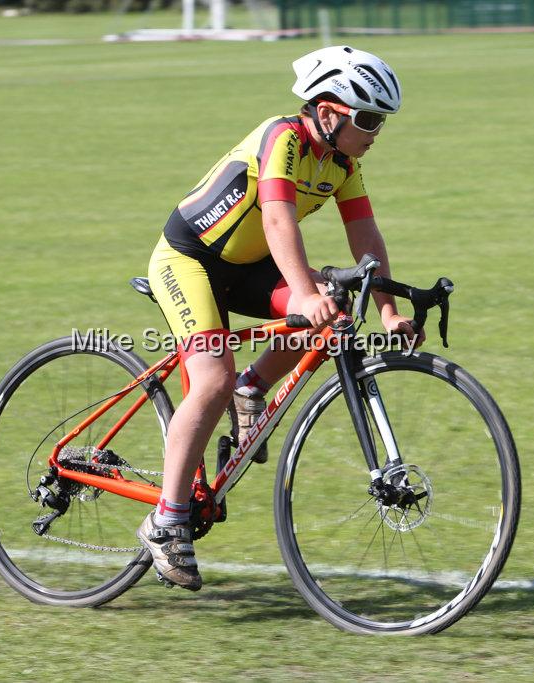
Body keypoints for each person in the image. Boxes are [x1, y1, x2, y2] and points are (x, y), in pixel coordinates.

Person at [138, 45, 423, 590]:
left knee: (332, 310)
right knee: (211, 378)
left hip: (246, 266)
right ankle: (166, 518)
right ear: (328, 110)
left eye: (381, 121)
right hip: (189, 259)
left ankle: (253, 388)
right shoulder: (283, 138)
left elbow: (365, 236)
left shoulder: (342, 164)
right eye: (367, 119)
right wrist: (302, 291)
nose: (375, 131)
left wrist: (388, 311)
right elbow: (275, 219)